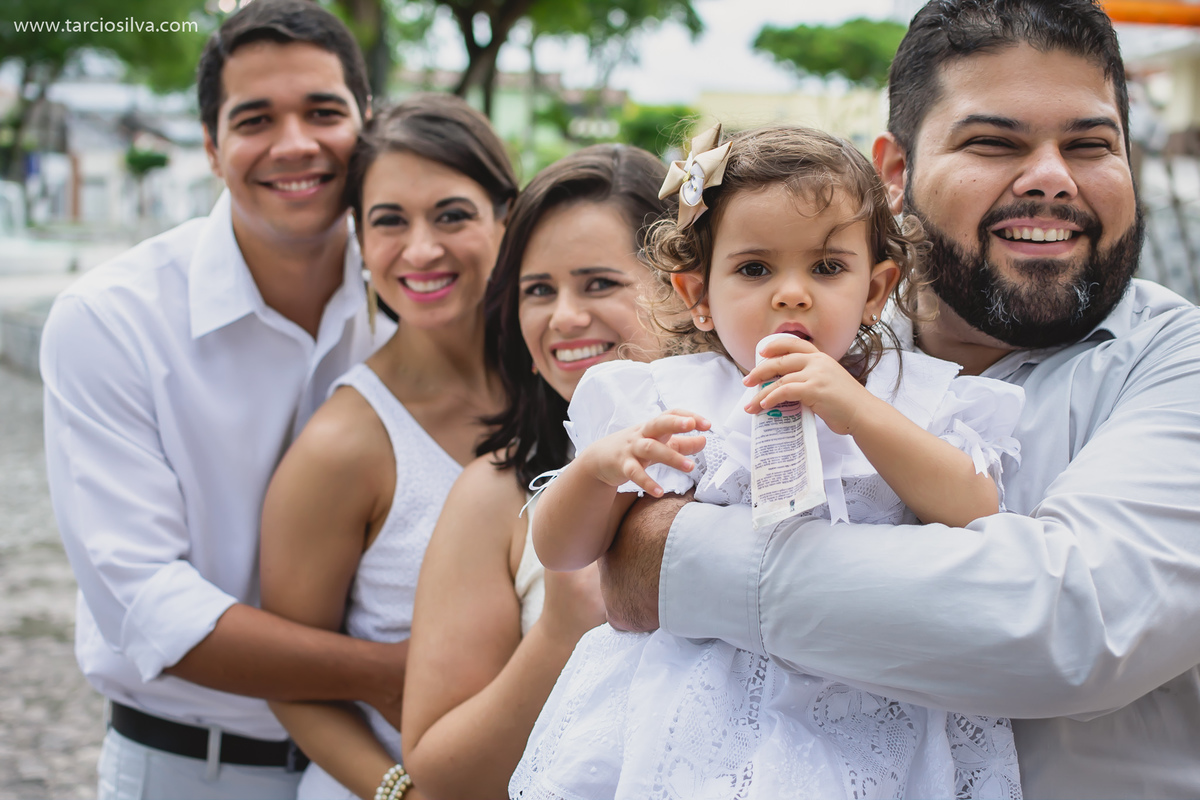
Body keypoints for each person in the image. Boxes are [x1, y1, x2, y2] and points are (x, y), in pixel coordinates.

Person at [599, 2, 1200, 798]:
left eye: (1090, 144)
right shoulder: (798, 341)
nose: (1053, 176)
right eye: (994, 142)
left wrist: (677, 560)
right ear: (896, 171)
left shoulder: (1178, 361)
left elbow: (1071, 628)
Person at [511, 124, 1026, 799]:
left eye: (827, 268)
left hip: (865, 711)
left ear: (875, 291)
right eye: (755, 269)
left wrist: (860, 413)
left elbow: (977, 509)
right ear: (697, 295)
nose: (792, 293)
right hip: (691, 721)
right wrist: (595, 472)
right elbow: (562, 551)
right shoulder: (667, 400)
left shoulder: (909, 399)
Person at [38, 2, 409, 797]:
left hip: (388, 758)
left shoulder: (423, 300)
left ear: (367, 123)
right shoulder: (111, 320)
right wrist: (388, 673)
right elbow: (146, 603)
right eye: (255, 119)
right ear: (211, 147)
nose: (295, 143)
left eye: (323, 112)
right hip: (194, 769)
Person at [258, 93, 517, 800]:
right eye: (389, 221)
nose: (421, 249)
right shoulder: (343, 445)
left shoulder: (562, 389)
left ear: (507, 217)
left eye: (452, 215)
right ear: (359, 237)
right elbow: (291, 682)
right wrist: (401, 793)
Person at [399, 144, 671, 800]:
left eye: (598, 283)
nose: (564, 317)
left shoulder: (771, 455)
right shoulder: (496, 493)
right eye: (538, 291)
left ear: (686, 288)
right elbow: (439, 769)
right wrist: (560, 628)